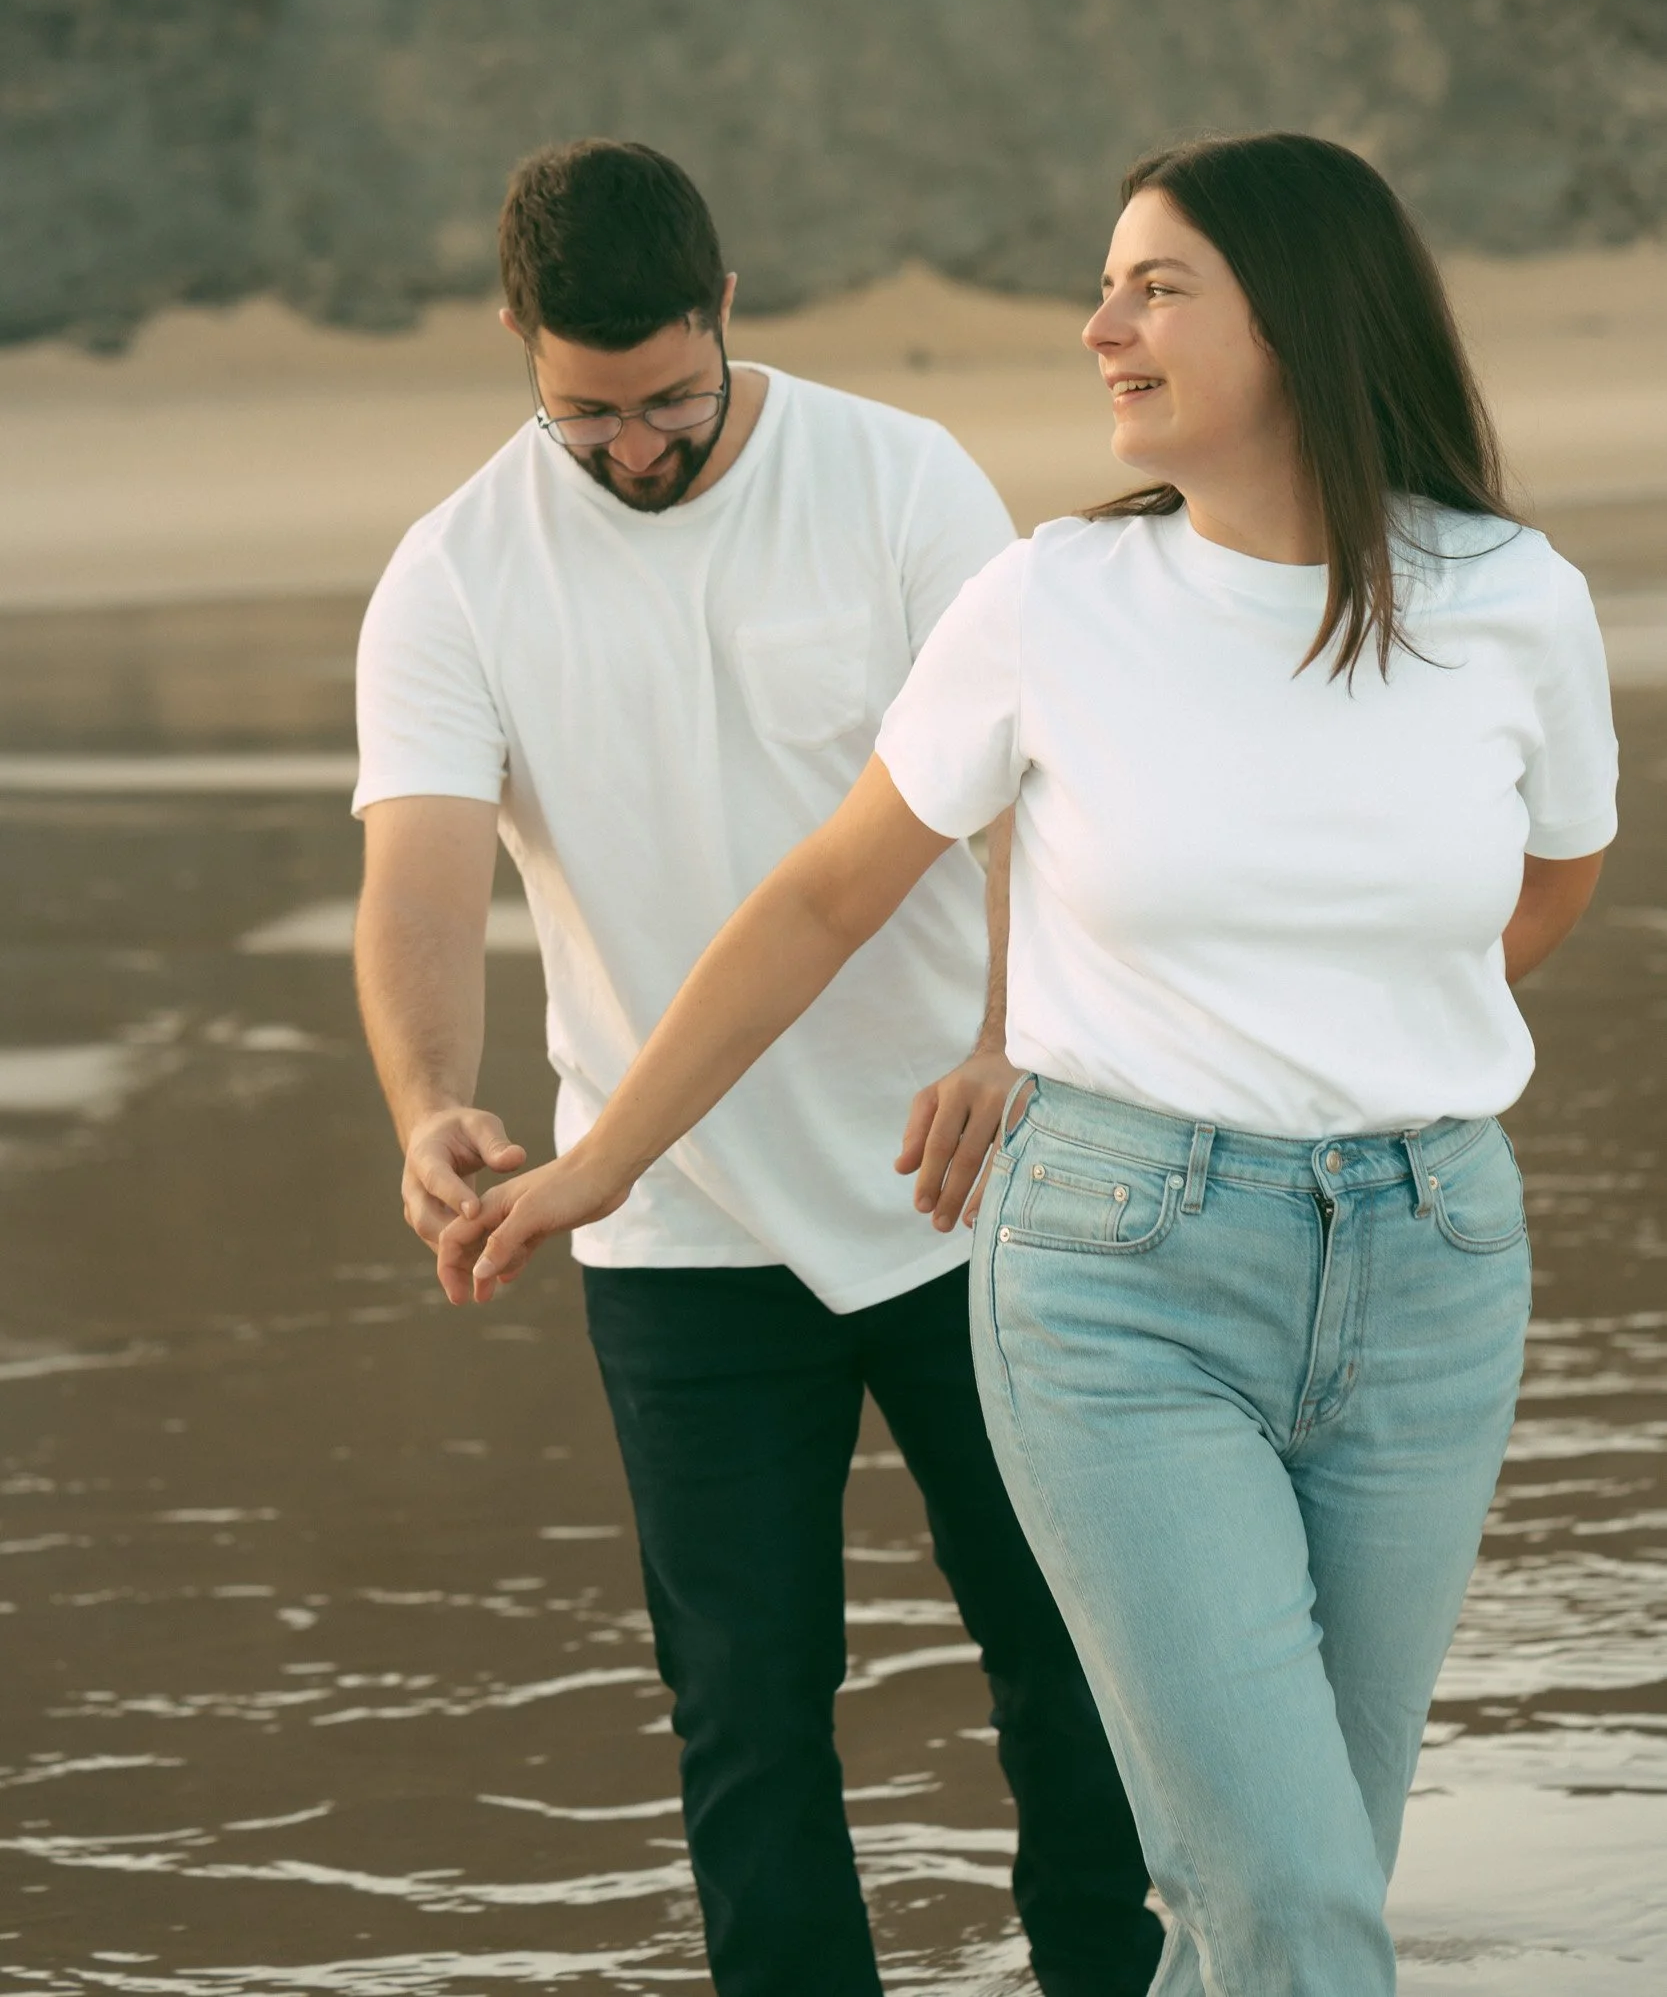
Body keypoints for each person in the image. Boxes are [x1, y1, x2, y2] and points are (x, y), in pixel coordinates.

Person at [439, 133, 1619, 1997]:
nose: (1097, 329)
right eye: (1104, 284)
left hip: (1432, 1265)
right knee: (1287, 1896)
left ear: (1302, 318)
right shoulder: (1053, 603)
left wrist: (1343, 1027)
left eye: (1153, 286)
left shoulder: (1511, 600)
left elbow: (1548, 878)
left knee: (1304, 1868)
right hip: (1119, 1267)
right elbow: (823, 901)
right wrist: (600, 1161)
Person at [354, 139, 1160, 1997]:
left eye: (670, 401)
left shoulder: (895, 480)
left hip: (969, 1183)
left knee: (1063, 1661)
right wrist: (429, 1107)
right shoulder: (455, 572)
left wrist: (1001, 1041)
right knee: (744, 1711)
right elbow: (416, 875)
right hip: (674, 1224)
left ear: (727, 309)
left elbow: (1040, 803)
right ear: (515, 348)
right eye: (587, 415)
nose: (637, 447)